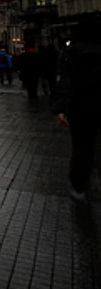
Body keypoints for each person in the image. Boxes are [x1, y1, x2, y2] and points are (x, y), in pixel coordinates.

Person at [51, 19, 101, 203]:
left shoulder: (69, 54)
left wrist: (61, 109)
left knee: (82, 148)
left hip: (80, 107)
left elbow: (65, 83)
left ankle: (79, 187)